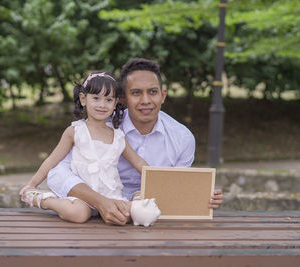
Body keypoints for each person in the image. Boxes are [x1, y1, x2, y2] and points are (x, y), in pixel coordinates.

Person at [43, 58, 223, 225]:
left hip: (143, 220)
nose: (146, 101)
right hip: (90, 214)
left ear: (163, 95)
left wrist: (202, 197)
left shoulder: (182, 139)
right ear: (122, 98)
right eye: (136, 93)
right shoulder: (97, 124)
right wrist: (99, 201)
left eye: (152, 92)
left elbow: (176, 188)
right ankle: (40, 200)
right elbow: (57, 173)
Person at [19, 71, 149, 223]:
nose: (102, 104)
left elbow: (139, 162)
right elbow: (52, 160)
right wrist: (32, 184)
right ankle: (42, 199)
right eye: (96, 98)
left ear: (115, 104)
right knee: (79, 214)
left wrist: (158, 180)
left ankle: (137, 196)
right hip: (81, 197)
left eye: (108, 100)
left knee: (131, 214)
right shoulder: (75, 131)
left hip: (109, 194)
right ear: (83, 99)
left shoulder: (118, 136)